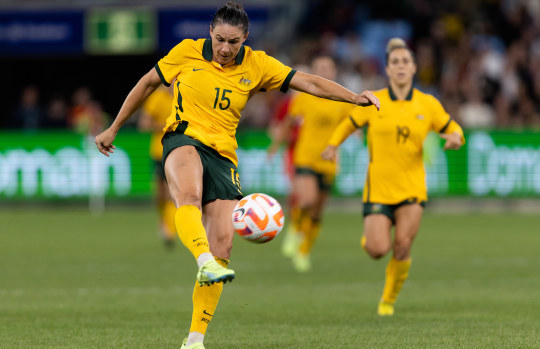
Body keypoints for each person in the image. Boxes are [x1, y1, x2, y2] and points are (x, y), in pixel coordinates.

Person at [93, 3, 380, 348]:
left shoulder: (258, 64)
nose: (225, 49)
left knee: (224, 244)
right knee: (188, 196)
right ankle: (203, 261)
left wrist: (354, 98)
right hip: (182, 137)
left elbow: (308, 82)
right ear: (210, 32)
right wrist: (114, 127)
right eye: (219, 40)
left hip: (223, 154)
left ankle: (195, 339)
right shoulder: (186, 51)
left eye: (233, 42)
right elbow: (147, 83)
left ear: (246, 38)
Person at [322, 38, 464, 316]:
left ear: (414, 69)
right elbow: (349, 122)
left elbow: (453, 127)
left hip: (412, 187)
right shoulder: (375, 100)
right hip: (379, 188)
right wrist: (332, 145)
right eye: (395, 62)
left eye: (405, 62)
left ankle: (388, 300)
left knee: (402, 246)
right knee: (377, 249)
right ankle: (370, 239)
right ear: (387, 69)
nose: (400, 66)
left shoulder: (428, 104)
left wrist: (456, 138)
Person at [269, 56, 354, 272]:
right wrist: (276, 146)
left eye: (328, 68)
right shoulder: (303, 98)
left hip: (328, 161)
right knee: (306, 201)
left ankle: (304, 251)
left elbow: (352, 125)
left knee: (316, 213)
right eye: (320, 68)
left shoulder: (341, 100)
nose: (324, 72)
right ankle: (295, 229)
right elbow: (288, 122)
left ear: (334, 72)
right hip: (305, 156)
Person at [138, 85, 177, 247]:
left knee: (172, 192)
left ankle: (170, 229)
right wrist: (166, 125)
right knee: (160, 195)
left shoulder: (186, 96)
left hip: (178, 151)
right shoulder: (157, 98)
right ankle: (163, 222)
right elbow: (144, 125)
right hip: (158, 151)